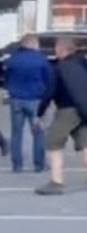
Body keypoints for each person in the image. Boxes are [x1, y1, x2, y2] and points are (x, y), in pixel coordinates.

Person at [36, 37, 87, 195]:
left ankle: (56, 181)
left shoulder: (60, 67)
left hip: (66, 110)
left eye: (56, 49)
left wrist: (40, 112)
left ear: (62, 50)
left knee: (53, 142)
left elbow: (50, 92)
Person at [5, 34, 52, 172]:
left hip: (16, 100)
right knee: (38, 133)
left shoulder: (12, 59)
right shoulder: (42, 59)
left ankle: (17, 165)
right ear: (33, 44)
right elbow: (48, 79)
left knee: (16, 133)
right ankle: (39, 164)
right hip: (36, 100)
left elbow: (6, 78)